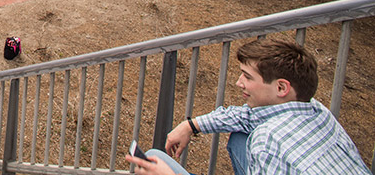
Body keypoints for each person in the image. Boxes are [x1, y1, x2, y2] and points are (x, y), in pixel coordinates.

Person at [126, 39, 369, 175]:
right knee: (240, 138)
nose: (238, 82)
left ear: (282, 88)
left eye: (248, 77)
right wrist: (192, 124)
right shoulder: (316, 110)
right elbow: (246, 116)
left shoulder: (268, 140)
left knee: (156, 159)